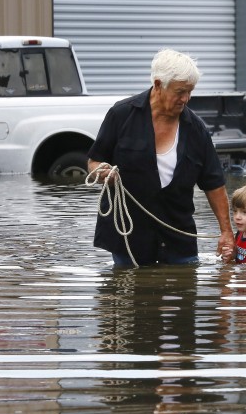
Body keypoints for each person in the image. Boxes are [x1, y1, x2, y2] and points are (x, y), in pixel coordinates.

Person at [87, 48, 234, 266]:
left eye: (190, 92)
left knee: (183, 295)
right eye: (180, 91)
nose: (186, 99)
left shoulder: (196, 129)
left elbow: (214, 184)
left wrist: (226, 232)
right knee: (129, 295)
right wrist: (102, 173)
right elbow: (93, 162)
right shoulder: (121, 115)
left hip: (179, 240)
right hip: (129, 237)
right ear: (158, 85)